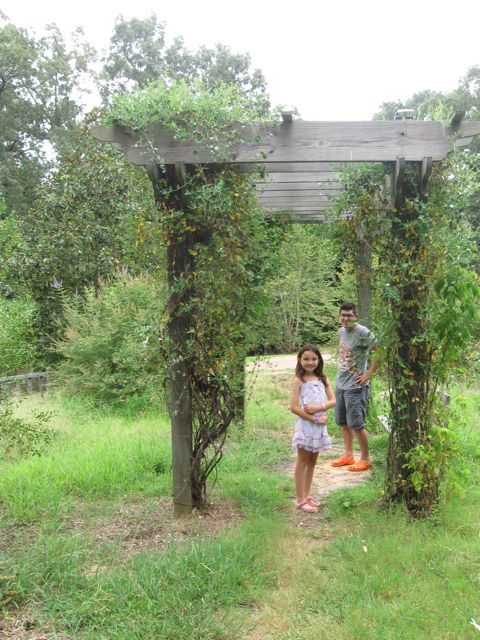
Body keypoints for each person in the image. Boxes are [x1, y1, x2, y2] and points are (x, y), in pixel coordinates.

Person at [328, 301, 378, 472]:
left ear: (355, 316)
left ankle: (365, 458)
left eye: (349, 315)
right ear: (339, 316)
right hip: (341, 384)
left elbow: (380, 351)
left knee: (357, 424)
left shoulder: (363, 332)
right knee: (343, 422)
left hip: (356, 387)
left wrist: (368, 375)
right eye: (343, 315)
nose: (345, 318)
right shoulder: (341, 331)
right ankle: (348, 455)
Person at [290, 344, 335, 513]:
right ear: (300, 360)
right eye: (306, 359)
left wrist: (318, 408)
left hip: (319, 426)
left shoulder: (323, 378)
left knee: (312, 462)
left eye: (314, 359)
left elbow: (333, 400)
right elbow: (294, 407)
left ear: (319, 360)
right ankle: (299, 499)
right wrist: (313, 419)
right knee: (302, 461)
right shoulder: (299, 381)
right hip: (306, 426)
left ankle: (307, 495)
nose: (310, 362)